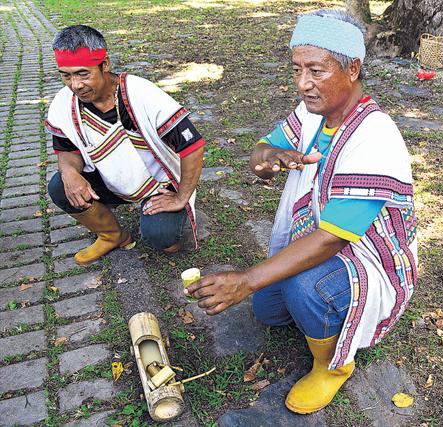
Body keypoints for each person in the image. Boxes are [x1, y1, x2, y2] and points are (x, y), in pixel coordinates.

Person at [186, 10, 417, 414]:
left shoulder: (375, 136)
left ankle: (332, 366)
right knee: (268, 312)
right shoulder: (314, 113)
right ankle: (319, 317)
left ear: (353, 68)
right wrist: (268, 157)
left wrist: (245, 280)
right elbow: (263, 146)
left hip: (369, 258)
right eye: (296, 69)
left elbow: (332, 238)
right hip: (326, 241)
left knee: (304, 288)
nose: (303, 84)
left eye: (316, 70)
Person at [45, 25, 205, 265]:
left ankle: (168, 221)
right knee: (60, 185)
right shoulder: (64, 102)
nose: (75, 84)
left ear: (105, 64)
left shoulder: (141, 94)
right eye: (66, 75)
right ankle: (111, 234)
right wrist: (69, 171)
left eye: (83, 73)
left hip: (158, 184)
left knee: (163, 239)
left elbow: (193, 145)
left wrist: (181, 196)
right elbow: (67, 148)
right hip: (109, 180)